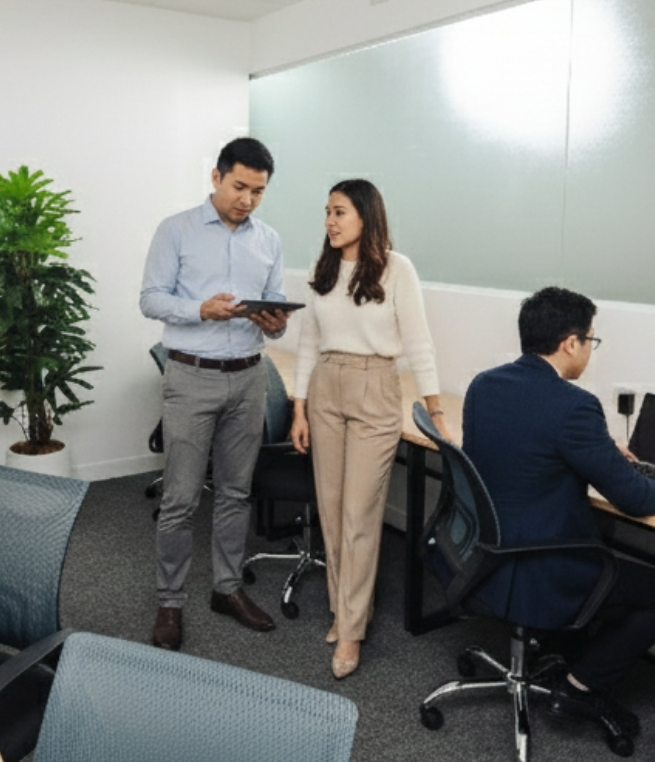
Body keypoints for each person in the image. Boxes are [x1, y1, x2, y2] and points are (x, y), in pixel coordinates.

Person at [462, 287, 655, 730]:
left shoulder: (484, 385)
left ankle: (565, 649)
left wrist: (601, 451)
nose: (591, 350)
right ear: (571, 342)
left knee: (600, 537)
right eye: (591, 340)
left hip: (484, 556)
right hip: (541, 568)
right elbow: (634, 498)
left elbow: (524, 444)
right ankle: (581, 685)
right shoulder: (575, 406)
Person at [138, 138, 291, 651]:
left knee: (235, 491)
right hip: (192, 375)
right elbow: (151, 298)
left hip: (249, 376)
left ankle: (226, 589)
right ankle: (170, 601)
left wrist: (274, 323)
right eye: (239, 186)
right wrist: (200, 310)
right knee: (181, 498)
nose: (247, 199)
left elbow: (274, 323)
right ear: (216, 177)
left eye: (258, 191)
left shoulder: (268, 240)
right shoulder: (176, 229)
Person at [289, 179, 445, 680]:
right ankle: (345, 609)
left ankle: (352, 630)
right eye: (327, 213)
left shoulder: (398, 270)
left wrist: (436, 411)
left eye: (339, 212)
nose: (330, 222)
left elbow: (419, 343)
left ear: (365, 217)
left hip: (375, 387)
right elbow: (307, 343)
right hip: (326, 386)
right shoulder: (324, 269)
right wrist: (299, 408)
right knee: (331, 511)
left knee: (359, 513)